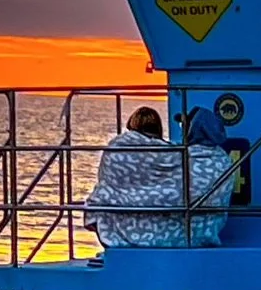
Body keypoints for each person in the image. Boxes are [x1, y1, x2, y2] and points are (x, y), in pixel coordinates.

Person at [84, 105, 236, 249]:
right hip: (198, 231)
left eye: (185, 126)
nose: (182, 130)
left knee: (102, 196)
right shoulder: (220, 159)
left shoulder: (194, 157)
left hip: (177, 221)